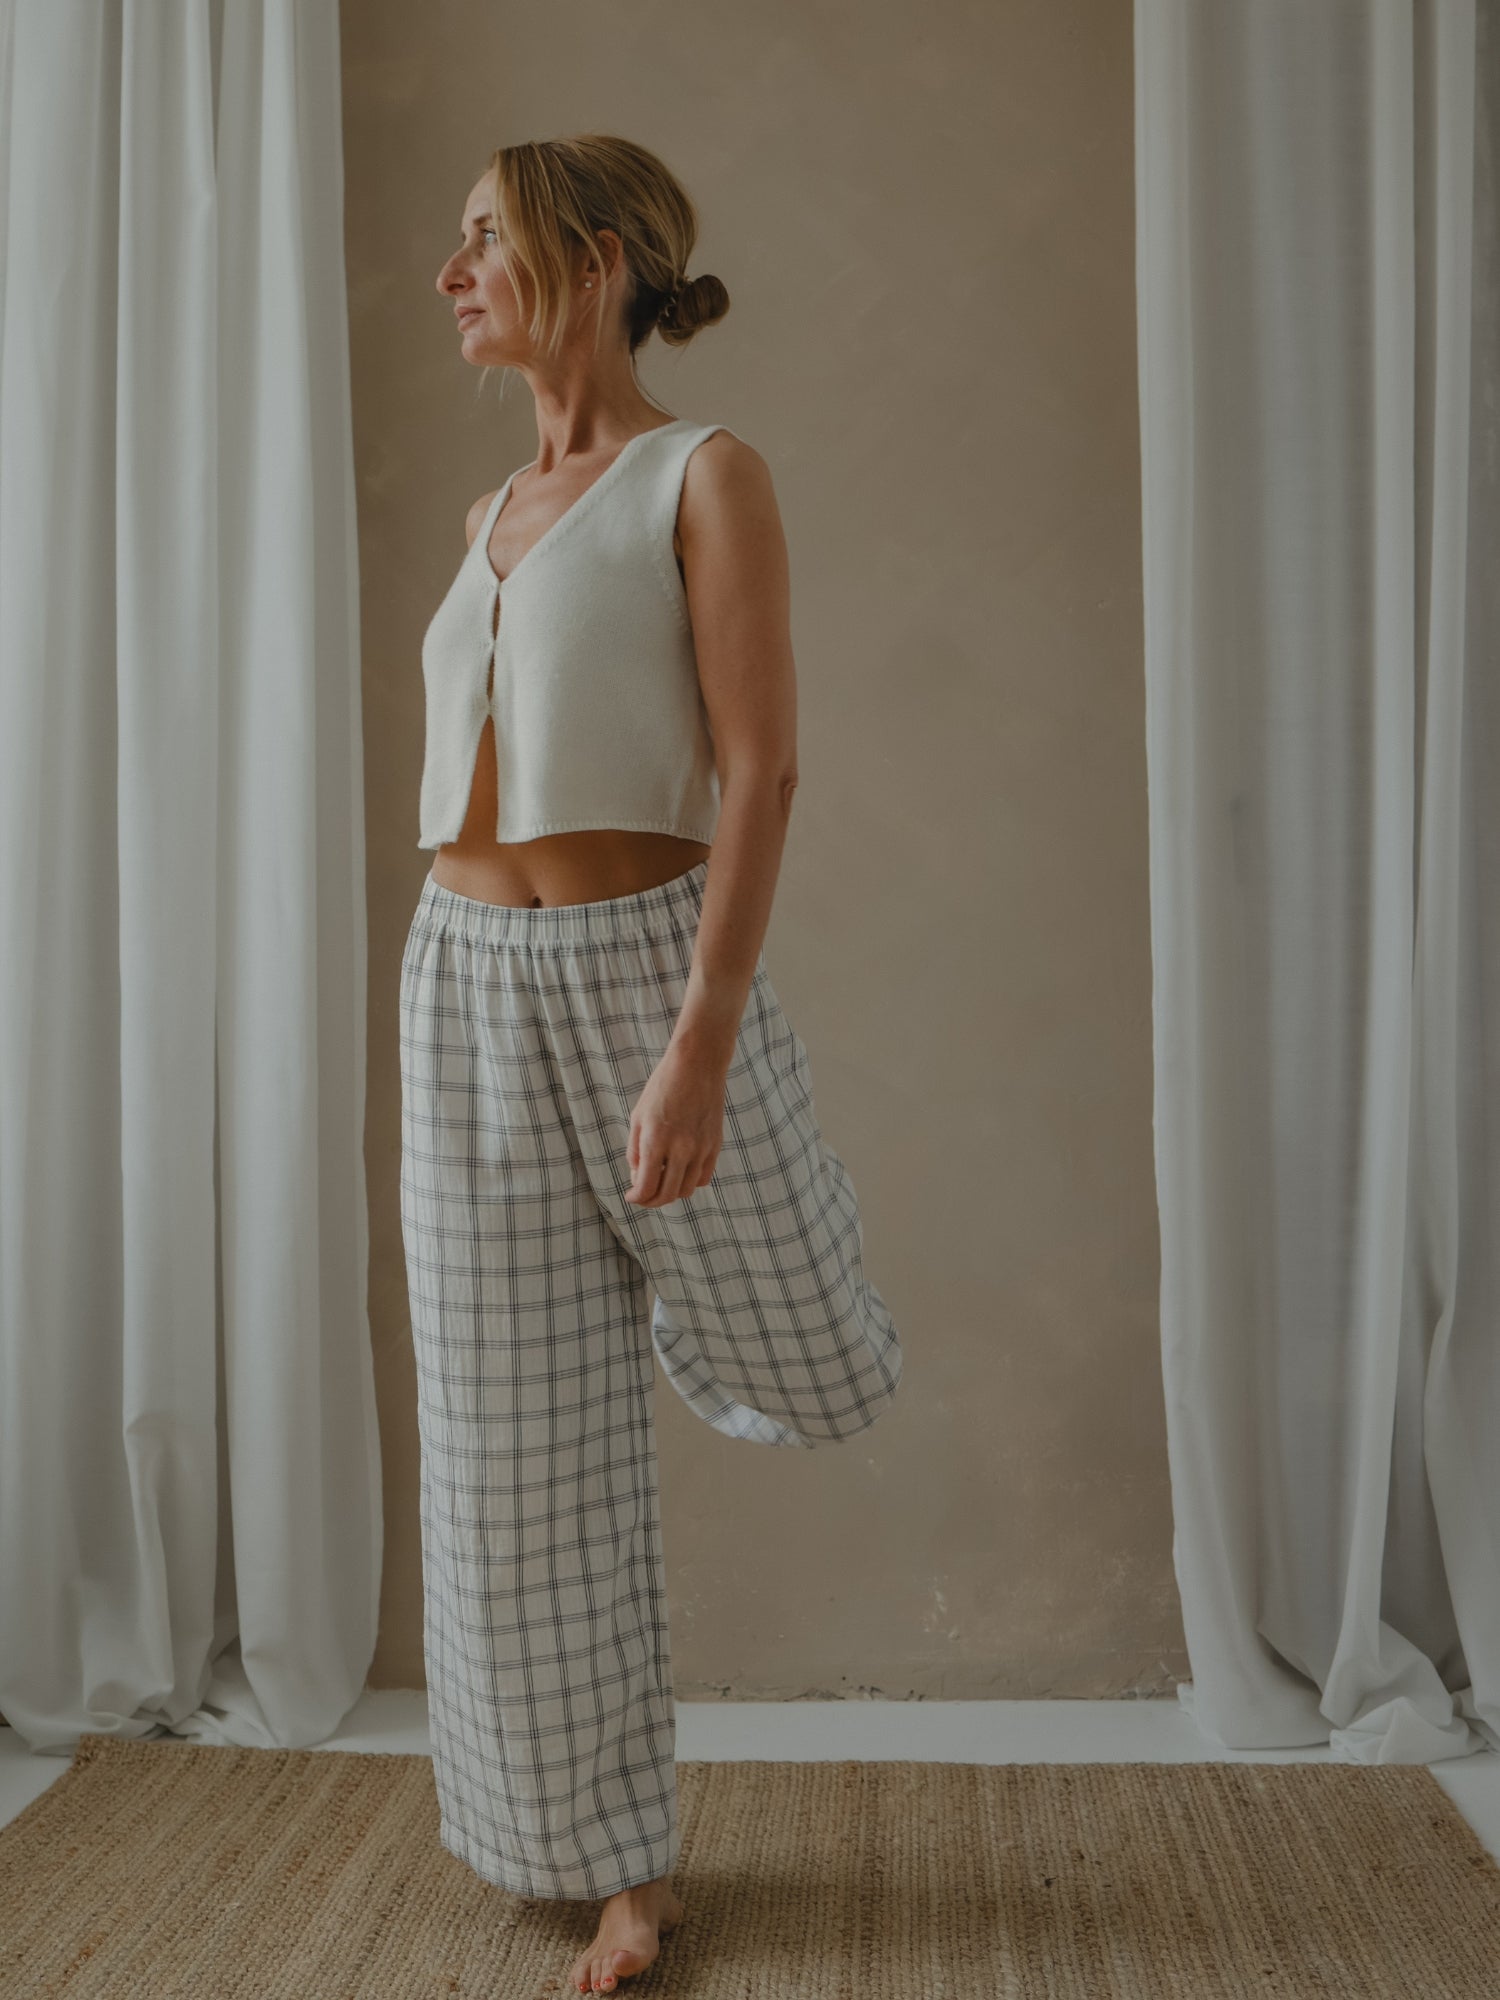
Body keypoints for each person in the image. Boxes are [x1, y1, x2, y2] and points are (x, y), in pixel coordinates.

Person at [400, 134, 904, 1996]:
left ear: (598, 258)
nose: (452, 271)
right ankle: (616, 1866)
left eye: (486, 239)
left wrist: (700, 1037)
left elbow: (761, 770)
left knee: (814, 1346)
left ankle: (684, 1313)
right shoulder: (487, 509)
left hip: (641, 968)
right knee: (510, 1456)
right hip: (461, 985)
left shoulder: (703, 474)